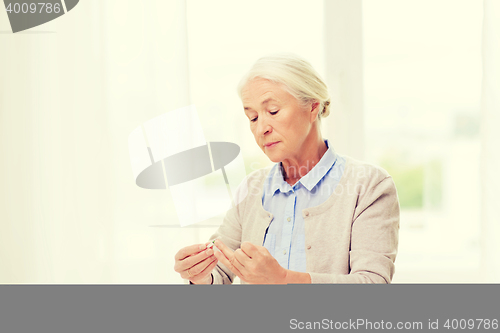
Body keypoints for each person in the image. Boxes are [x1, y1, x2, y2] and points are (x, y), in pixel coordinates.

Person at [174, 54, 400, 284]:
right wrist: (200, 276)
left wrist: (283, 279)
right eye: (252, 117)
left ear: (313, 107)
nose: (261, 128)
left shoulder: (370, 185)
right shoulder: (252, 188)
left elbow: (373, 282)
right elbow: (220, 272)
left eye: (272, 111)